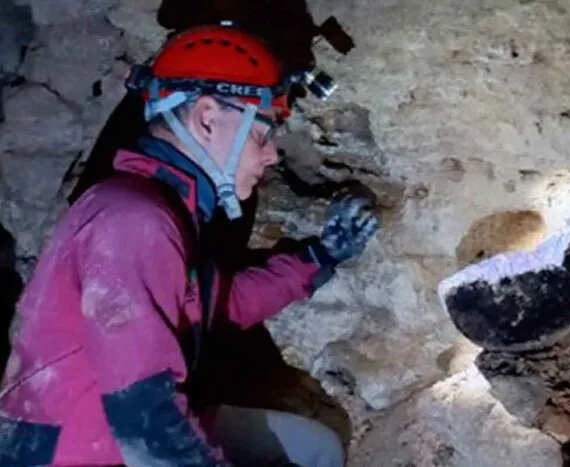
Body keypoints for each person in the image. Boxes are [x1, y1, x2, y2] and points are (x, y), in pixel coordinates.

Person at [0, 25, 379, 466]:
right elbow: (145, 422)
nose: (272, 154)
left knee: (315, 448)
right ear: (205, 119)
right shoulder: (133, 220)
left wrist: (320, 256)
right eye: (262, 133)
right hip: (77, 451)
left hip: (112, 431)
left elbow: (219, 305)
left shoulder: (167, 211)